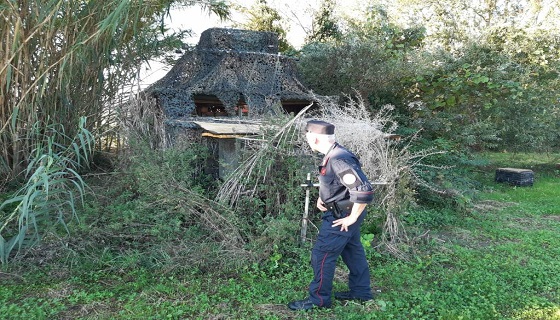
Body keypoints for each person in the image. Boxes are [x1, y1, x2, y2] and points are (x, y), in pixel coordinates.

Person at [288, 119, 375, 311]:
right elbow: (338, 184)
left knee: (322, 255)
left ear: (315, 138)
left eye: (308, 137)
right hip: (343, 211)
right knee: (353, 252)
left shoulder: (338, 158)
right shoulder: (334, 154)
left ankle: (319, 300)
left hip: (341, 217)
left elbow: (363, 190)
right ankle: (360, 292)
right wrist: (324, 198)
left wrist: (351, 217)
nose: (307, 141)